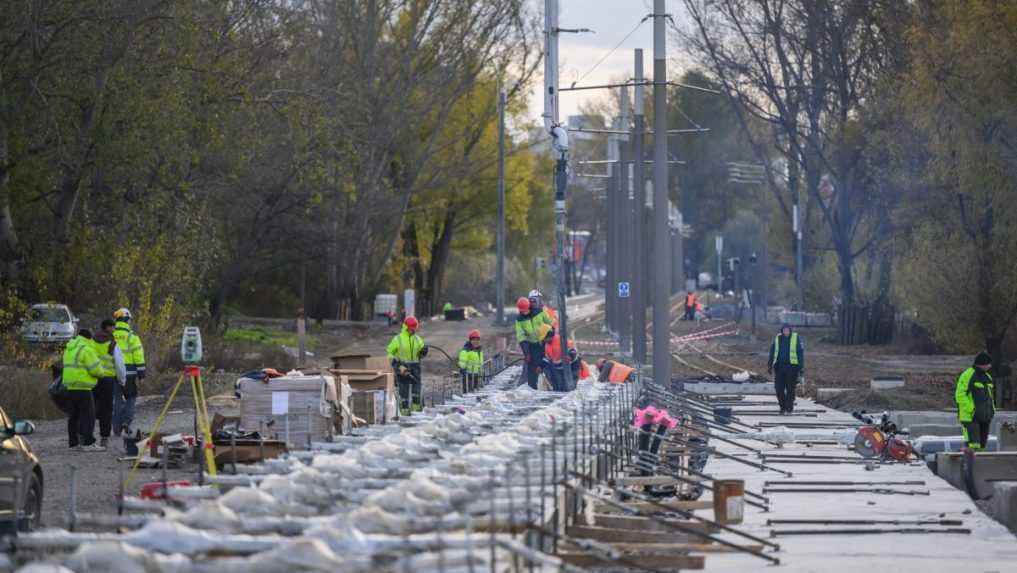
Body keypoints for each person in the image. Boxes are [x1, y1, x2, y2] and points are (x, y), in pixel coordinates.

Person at [62, 329, 105, 451]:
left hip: (70, 388)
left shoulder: (69, 349)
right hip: (83, 388)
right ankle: (88, 443)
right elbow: (96, 370)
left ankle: (73, 443)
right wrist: (102, 374)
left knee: (73, 417)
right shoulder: (86, 349)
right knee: (88, 416)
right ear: (89, 338)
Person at [90, 320, 127, 447]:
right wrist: (122, 381)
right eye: (113, 327)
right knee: (106, 410)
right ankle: (104, 438)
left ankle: (86, 437)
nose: (114, 330)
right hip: (107, 380)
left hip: (92, 379)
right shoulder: (112, 344)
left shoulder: (91, 342)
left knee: (90, 408)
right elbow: (119, 365)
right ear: (107, 328)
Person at [112, 308, 146, 436]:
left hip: (113, 374)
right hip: (130, 375)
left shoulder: (111, 336)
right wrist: (141, 375)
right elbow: (138, 356)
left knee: (116, 401)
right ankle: (126, 421)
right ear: (127, 320)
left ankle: (116, 429)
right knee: (131, 398)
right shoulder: (132, 336)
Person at [386, 316, 427, 415]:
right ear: (406, 327)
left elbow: (422, 351)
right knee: (403, 390)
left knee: (416, 390)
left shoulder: (417, 339)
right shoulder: (398, 339)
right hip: (402, 367)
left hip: (415, 367)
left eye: (415, 328)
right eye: (412, 328)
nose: (413, 330)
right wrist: (396, 364)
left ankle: (416, 412)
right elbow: (389, 353)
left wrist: (424, 351)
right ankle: (404, 413)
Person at [955, 352, 995, 451]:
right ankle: (970, 465)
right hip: (971, 418)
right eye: (988, 364)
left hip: (985, 418)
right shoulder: (968, 375)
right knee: (972, 446)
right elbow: (960, 395)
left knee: (981, 447)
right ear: (982, 364)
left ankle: (980, 466)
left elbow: (990, 396)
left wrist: (992, 410)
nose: (990, 366)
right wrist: (972, 409)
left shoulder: (987, 377)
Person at [515, 296, 552, 389]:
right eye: (522, 310)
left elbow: (549, 322)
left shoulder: (540, 312)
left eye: (525, 310)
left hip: (545, 342)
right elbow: (521, 336)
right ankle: (532, 388)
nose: (524, 312)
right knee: (532, 368)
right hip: (532, 346)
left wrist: (549, 335)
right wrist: (526, 353)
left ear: (529, 306)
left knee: (547, 365)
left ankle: (551, 386)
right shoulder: (519, 319)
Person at [768, 324, 804, 415]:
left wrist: (801, 367)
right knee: (778, 388)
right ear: (782, 331)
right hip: (779, 367)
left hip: (792, 368)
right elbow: (772, 352)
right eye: (784, 330)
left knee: (790, 389)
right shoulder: (778, 338)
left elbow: (800, 353)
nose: (786, 332)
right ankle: (782, 407)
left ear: (790, 330)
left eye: (787, 330)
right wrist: (769, 365)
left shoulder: (796, 338)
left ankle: (789, 408)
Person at [542, 324, 589, 391]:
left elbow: (572, 350)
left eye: (544, 338)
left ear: (548, 335)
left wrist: (570, 357)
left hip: (572, 367)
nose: (543, 340)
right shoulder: (547, 345)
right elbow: (548, 358)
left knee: (570, 388)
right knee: (560, 388)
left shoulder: (560, 340)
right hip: (559, 368)